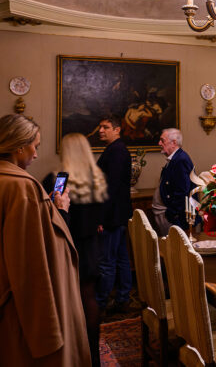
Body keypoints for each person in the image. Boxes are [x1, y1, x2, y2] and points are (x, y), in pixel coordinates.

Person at [0, 114, 91, 366]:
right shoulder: (21, 186)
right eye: (35, 146)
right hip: (25, 311)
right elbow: (31, 261)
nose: (36, 154)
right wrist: (60, 210)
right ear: (19, 146)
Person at [43, 133, 107, 367]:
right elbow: (102, 212)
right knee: (90, 298)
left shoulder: (60, 179)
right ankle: (94, 356)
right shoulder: (95, 177)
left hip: (70, 245)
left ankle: (74, 354)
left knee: (68, 301)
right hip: (91, 247)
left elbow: (52, 212)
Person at [96, 114, 132, 314]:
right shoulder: (114, 149)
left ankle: (100, 304)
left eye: (105, 127)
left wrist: (101, 217)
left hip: (112, 216)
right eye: (100, 127)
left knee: (107, 261)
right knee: (120, 258)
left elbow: (112, 187)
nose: (101, 130)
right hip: (117, 214)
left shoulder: (117, 151)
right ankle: (123, 298)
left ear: (117, 130)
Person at [153, 128, 194, 235]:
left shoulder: (180, 160)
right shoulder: (175, 158)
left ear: (174, 143)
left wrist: (171, 213)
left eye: (162, 140)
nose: (159, 143)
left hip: (176, 219)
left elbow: (182, 191)